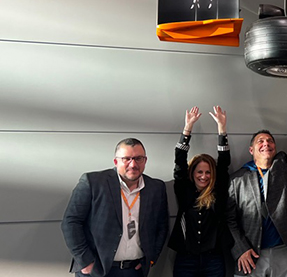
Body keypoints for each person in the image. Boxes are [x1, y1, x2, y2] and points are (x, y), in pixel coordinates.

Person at [226, 79, 287, 277]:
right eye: (261, 141)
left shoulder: (286, 165)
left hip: (284, 250)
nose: (266, 143)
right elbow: (230, 220)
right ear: (251, 150)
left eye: (270, 141)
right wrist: (240, 249)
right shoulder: (238, 179)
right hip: (250, 253)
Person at [62, 138, 169, 277]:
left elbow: (162, 225)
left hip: (134, 270)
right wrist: (86, 262)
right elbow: (71, 222)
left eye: (138, 158)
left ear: (145, 160)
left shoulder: (155, 187)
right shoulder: (93, 182)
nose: (133, 164)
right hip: (96, 270)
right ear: (116, 161)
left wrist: (151, 259)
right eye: (127, 159)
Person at [168, 105, 231, 277]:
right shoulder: (183, 189)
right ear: (192, 173)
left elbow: (224, 163)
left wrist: (222, 129)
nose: (204, 176)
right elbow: (179, 161)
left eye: (208, 172)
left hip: (214, 259)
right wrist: (187, 129)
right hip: (186, 258)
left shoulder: (218, 191)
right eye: (200, 172)